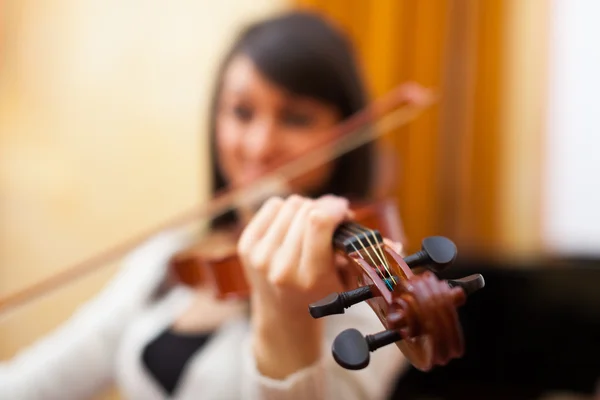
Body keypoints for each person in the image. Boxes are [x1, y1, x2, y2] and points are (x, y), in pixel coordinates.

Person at [0, 10, 416, 400]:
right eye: (241, 112)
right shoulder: (174, 258)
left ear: (343, 134)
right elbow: (42, 378)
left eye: (295, 118)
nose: (259, 145)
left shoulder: (365, 288)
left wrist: (285, 317)